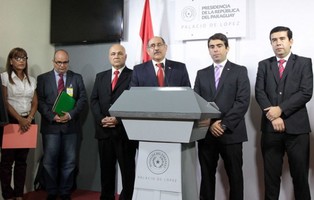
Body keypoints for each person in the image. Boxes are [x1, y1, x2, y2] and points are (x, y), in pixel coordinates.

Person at [255, 26, 312, 200]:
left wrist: (280, 110)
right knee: (271, 179)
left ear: (290, 41)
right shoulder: (264, 65)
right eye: (274, 40)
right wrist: (274, 117)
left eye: (282, 39)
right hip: (270, 130)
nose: (278, 43)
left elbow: (305, 92)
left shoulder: (304, 62)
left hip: (297, 130)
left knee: (300, 177)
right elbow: (259, 93)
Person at [194, 33, 250, 200]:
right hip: (207, 134)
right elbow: (197, 102)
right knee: (206, 177)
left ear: (227, 48)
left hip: (231, 133)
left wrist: (223, 124)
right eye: (212, 47)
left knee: (235, 177)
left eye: (219, 46)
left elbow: (242, 101)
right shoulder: (201, 73)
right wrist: (211, 124)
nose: (215, 49)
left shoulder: (239, 71)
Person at [37, 49, 87, 200]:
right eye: (59, 62)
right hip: (51, 127)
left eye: (65, 62)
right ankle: (52, 192)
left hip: (71, 128)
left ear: (68, 62)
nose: (62, 65)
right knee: (49, 162)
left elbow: (82, 99)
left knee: (70, 162)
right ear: (53, 62)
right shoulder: (43, 78)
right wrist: (53, 116)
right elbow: (39, 101)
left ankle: (65, 192)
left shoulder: (76, 78)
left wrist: (70, 115)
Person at [90, 44, 137, 200]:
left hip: (124, 132)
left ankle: (127, 197)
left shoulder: (134, 75)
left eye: (119, 53)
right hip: (104, 131)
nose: (116, 56)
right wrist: (100, 118)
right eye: (113, 54)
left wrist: (118, 119)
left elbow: (135, 102)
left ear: (125, 56)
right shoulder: (100, 76)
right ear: (109, 57)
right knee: (106, 171)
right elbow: (94, 100)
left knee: (128, 171)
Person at [0, 47, 38, 200]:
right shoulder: (3, 78)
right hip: (12, 122)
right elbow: (4, 102)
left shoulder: (32, 80)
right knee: (7, 162)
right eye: (17, 58)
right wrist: (20, 119)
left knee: (22, 162)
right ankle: (8, 195)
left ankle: (19, 194)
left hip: (28, 122)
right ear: (11, 61)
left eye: (24, 58)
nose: (21, 61)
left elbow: (35, 102)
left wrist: (28, 118)